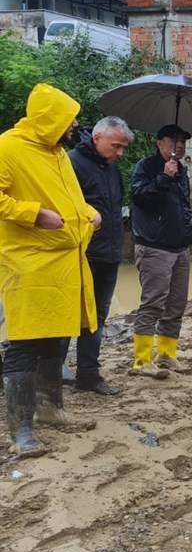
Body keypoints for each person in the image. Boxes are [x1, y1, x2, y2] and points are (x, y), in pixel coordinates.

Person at [0, 84, 100, 456]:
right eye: (69, 120)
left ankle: (50, 409)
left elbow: (68, 200)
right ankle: (21, 430)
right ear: (49, 119)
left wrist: (88, 214)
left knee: (56, 338)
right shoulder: (8, 147)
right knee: (25, 343)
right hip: (28, 264)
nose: (75, 126)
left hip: (64, 263)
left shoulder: (57, 153)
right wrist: (33, 214)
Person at [130, 124, 192, 378]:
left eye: (183, 141)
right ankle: (141, 360)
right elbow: (140, 198)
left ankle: (166, 354)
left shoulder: (181, 171)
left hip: (179, 246)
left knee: (176, 303)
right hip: (153, 246)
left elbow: (184, 207)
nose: (180, 146)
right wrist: (163, 177)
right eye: (174, 141)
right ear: (159, 143)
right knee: (153, 303)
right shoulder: (146, 167)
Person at [68, 116, 133, 396]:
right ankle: (53, 373)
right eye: (116, 146)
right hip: (79, 255)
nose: (120, 153)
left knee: (97, 318)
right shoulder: (70, 164)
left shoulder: (111, 170)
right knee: (67, 316)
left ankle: (88, 375)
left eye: (123, 148)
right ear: (97, 139)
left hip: (109, 255)